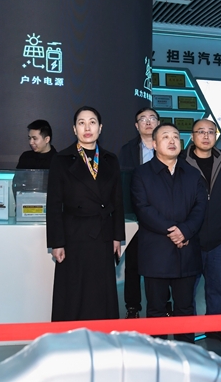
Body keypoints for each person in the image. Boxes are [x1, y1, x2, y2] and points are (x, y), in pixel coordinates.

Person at [46, 106, 125, 321]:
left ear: (100, 128)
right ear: (74, 129)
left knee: (101, 293)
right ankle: (71, 336)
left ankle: (101, 335)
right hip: (73, 236)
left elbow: (118, 201)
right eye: (81, 123)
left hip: (103, 235)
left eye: (92, 122)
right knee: (74, 292)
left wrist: (117, 237)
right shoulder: (61, 159)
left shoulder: (110, 159)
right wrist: (56, 242)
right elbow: (54, 205)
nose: (87, 128)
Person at [131, 123, 207, 344]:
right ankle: (159, 354)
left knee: (185, 308)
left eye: (175, 136)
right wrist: (173, 231)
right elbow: (143, 208)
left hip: (187, 250)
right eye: (165, 137)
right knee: (156, 308)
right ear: (154, 144)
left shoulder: (193, 174)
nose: (172, 140)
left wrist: (185, 231)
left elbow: (200, 207)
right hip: (156, 252)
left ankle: (186, 354)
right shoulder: (142, 174)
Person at [182, 119, 221, 346]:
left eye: (210, 132)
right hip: (190, 239)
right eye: (201, 132)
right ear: (192, 136)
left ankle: (216, 327)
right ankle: (186, 333)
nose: (206, 136)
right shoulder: (182, 161)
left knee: (216, 287)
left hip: (219, 239)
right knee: (187, 289)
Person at [119, 107, 159, 319]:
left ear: (158, 122)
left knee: (161, 264)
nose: (148, 122)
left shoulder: (169, 146)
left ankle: (162, 305)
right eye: (143, 119)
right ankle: (132, 306)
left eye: (152, 118)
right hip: (135, 217)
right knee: (133, 264)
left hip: (162, 216)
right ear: (137, 126)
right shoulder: (127, 150)